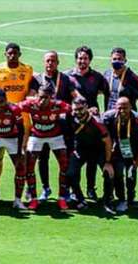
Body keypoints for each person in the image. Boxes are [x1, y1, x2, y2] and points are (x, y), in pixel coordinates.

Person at [28, 51, 80, 202]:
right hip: (42, 125)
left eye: (53, 61)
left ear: (58, 63)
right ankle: (45, 188)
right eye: (48, 61)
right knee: (42, 158)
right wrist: (44, 102)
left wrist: (81, 104)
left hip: (63, 126)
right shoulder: (37, 79)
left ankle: (66, 191)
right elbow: (29, 97)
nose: (50, 63)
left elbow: (75, 95)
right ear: (44, 62)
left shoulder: (65, 79)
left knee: (65, 159)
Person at [0, 43, 33, 200]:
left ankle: (29, 187)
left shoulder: (27, 70)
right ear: (5, 54)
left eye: (15, 53)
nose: (12, 56)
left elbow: (30, 92)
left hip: (23, 121)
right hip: (1, 122)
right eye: (9, 53)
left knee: (23, 157)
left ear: (19, 54)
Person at [65, 46, 109, 200]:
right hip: (75, 122)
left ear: (90, 60)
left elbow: (107, 93)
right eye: (79, 58)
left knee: (92, 158)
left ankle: (91, 188)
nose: (82, 61)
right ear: (75, 59)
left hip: (92, 122)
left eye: (85, 58)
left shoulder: (97, 77)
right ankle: (72, 190)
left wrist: (103, 112)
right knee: (75, 155)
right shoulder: (67, 76)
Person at [18, 86, 71, 211]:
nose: (42, 101)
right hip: (36, 135)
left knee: (64, 166)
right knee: (29, 167)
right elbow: (14, 107)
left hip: (55, 136)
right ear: (37, 96)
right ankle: (34, 199)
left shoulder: (58, 105)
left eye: (45, 98)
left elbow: (72, 109)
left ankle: (62, 198)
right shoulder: (31, 104)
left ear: (51, 97)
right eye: (40, 97)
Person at [102, 97, 138, 214]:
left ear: (131, 107)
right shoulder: (108, 117)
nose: (122, 111)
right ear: (115, 108)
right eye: (119, 108)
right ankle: (122, 200)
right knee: (118, 174)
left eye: (125, 108)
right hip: (121, 150)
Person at [65, 97, 115, 213]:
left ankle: (108, 202)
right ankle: (80, 199)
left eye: (81, 109)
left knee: (109, 174)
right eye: (75, 109)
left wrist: (108, 162)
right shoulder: (70, 117)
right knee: (70, 173)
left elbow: (107, 142)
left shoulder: (97, 123)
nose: (78, 112)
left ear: (87, 107)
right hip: (81, 150)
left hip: (98, 151)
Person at [104, 47, 138, 121]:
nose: (117, 61)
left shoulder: (133, 79)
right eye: (114, 59)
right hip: (110, 120)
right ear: (110, 60)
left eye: (119, 59)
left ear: (125, 60)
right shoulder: (107, 75)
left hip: (128, 119)